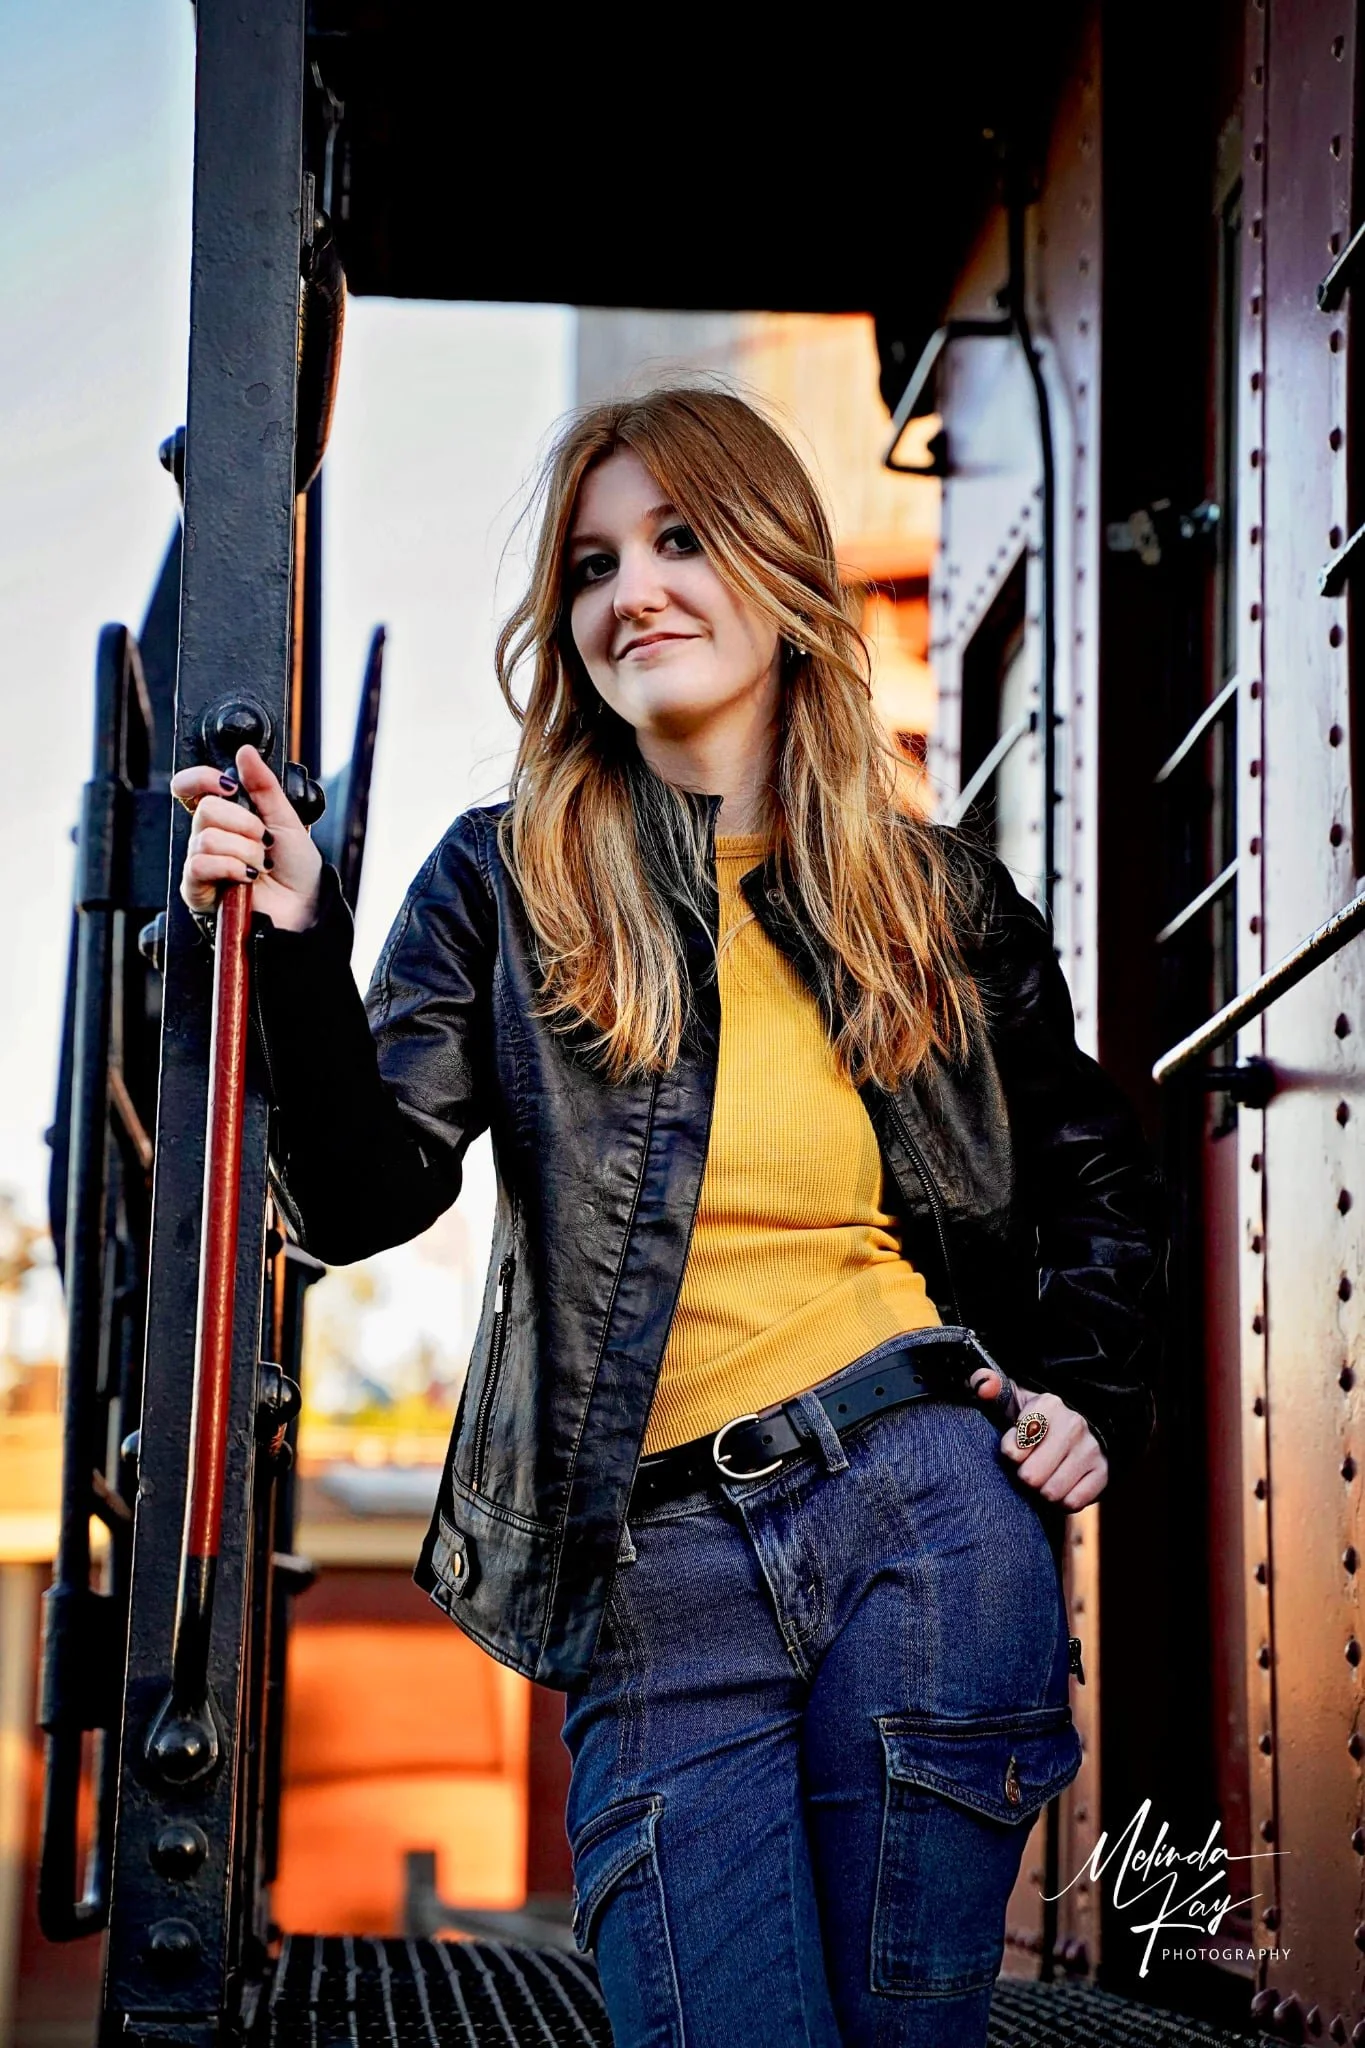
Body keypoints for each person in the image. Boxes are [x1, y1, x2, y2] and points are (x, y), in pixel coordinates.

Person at [171, 385, 1164, 2048]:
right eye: (592, 562)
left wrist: (1089, 1396)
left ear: (778, 571)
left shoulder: (939, 902)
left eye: (682, 539)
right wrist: (293, 945)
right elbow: (357, 1195)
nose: (632, 588)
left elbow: (1092, 1177)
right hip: (658, 1562)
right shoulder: (503, 880)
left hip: (929, 1517)